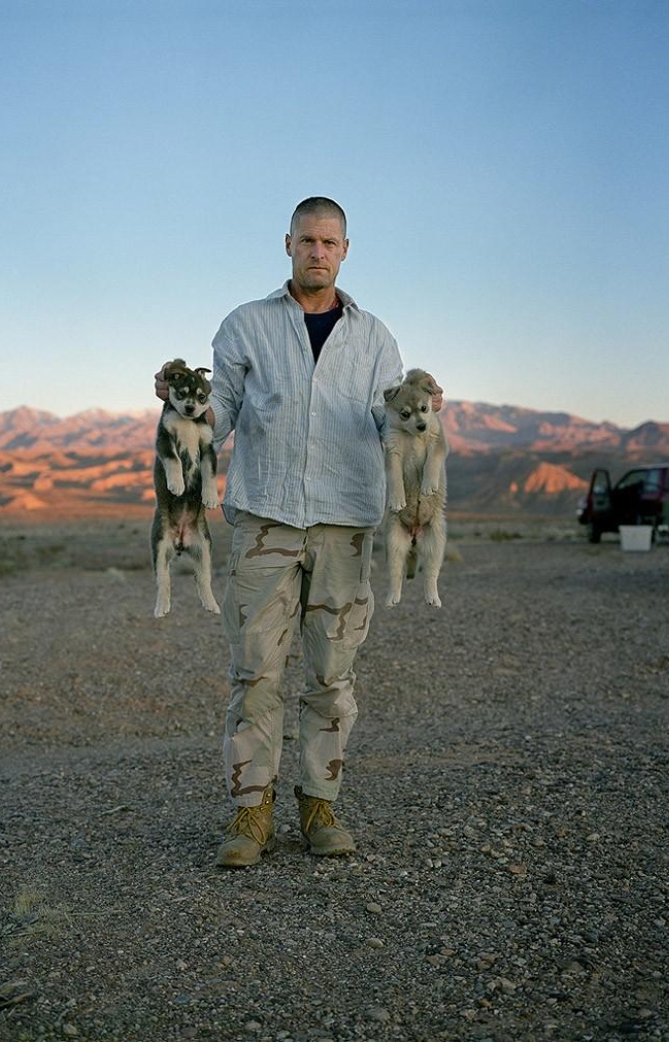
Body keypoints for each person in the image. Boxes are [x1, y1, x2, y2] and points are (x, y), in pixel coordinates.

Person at [155, 197, 442, 868]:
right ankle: (251, 811)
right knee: (254, 673)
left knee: (331, 675)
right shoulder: (246, 326)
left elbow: (384, 422)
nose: (317, 251)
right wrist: (179, 406)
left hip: (344, 524)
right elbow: (218, 412)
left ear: (345, 250)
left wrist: (414, 418)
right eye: (307, 240)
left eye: (329, 242)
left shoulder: (374, 338)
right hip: (264, 521)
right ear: (287, 244)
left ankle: (318, 804)